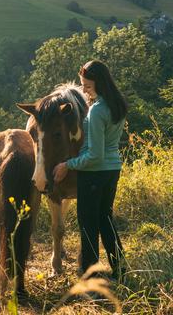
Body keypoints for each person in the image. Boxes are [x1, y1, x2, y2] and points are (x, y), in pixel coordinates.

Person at [52, 60, 127, 278]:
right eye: (82, 85)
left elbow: (94, 155)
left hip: (94, 173)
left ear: (100, 84)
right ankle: (120, 269)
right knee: (105, 219)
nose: (83, 90)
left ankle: (89, 275)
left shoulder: (96, 112)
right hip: (113, 170)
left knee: (88, 225)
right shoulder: (117, 105)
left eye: (88, 86)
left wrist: (67, 164)